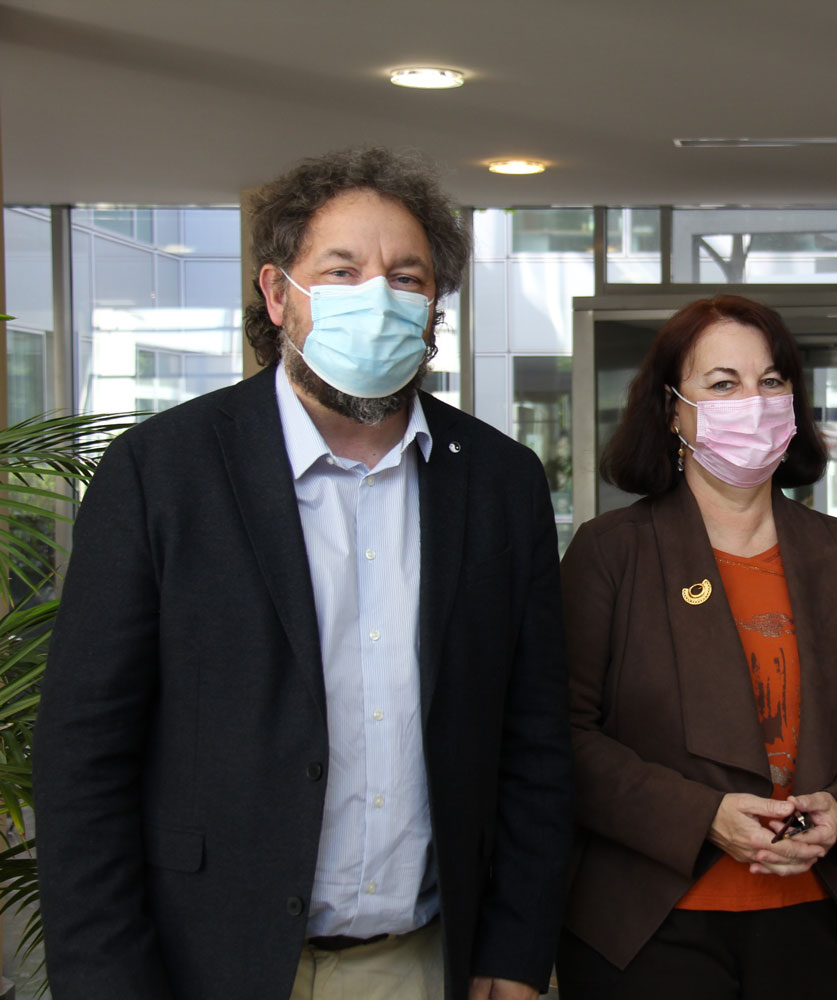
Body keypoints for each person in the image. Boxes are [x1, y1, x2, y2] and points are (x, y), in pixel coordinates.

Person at [34, 148, 573, 1000]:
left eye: (406, 275)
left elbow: (535, 738)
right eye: (343, 270)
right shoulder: (162, 472)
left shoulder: (500, 483)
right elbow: (82, 757)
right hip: (204, 963)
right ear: (279, 294)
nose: (379, 296)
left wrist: (514, 949)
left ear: (434, 307)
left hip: (426, 960)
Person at [556, 295, 837, 998]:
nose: (753, 402)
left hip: (818, 921)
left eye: (770, 382)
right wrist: (702, 816)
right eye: (723, 383)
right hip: (649, 926)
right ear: (673, 409)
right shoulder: (611, 552)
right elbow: (564, 734)